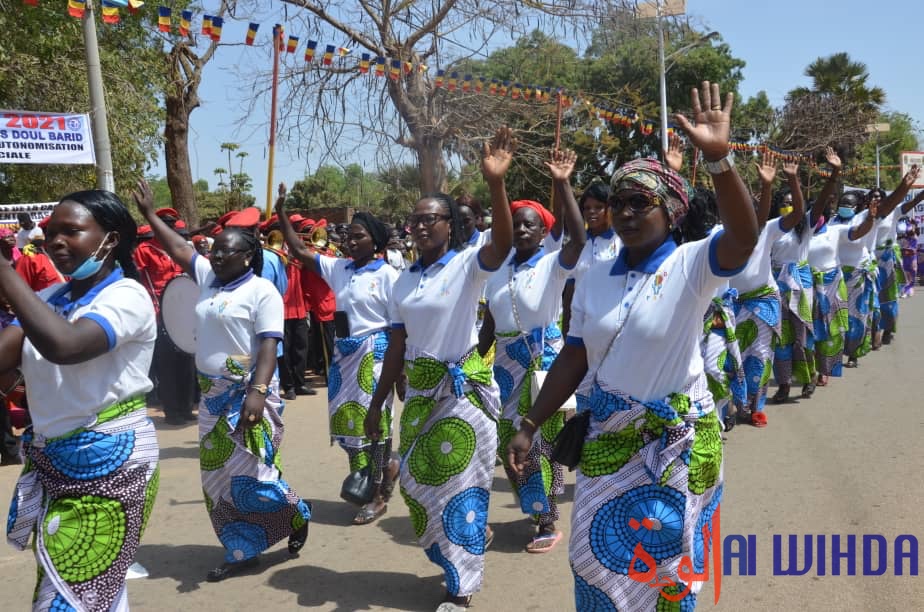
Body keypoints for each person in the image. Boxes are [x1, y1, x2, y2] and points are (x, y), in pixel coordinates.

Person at [508, 83, 758, 610]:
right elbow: (574, 354)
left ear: (670, 208)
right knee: (591, 556)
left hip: (674, 442)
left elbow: (743, 236)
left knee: (661, 567)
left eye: (638, 201)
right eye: (616, 202)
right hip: (607, 437)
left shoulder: (691, 263)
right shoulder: (594, 273)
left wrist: (717, 158)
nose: (623, 211)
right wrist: (530, 424)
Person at [365, 127, 516, 612]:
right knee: (412, 483)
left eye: (433, 219)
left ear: (451, 225)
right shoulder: (402, 281)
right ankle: (459, 552)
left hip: (464, 394)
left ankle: (462, 587)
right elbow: (395, 347)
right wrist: (376, 405)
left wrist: (497, 184)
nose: (422, 226)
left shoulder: (469, 264)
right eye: (416, 220)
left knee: (462, 487)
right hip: (420, 395)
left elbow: (504, 244)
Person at [132, 179, 311, 582]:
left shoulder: (262, 291)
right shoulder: (208, 278)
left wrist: (257, 393)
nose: (215, 257)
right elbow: (179, 249)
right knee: (218, 480)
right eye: (214, 250)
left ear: (248, 256)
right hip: (212, 395)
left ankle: (295, 510)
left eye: (226, 251)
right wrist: (148, 214)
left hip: (250, 394)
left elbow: (268, 345)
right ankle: (240, 549)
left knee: (255, 473)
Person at [2, 189, 159, 611]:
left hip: (110, 460)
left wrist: (4, 271)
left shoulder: (127, 296)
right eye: (51, 233)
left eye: (71, 231)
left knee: (70, 596)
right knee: (87, 590)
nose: (55, 242)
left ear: (111, 238)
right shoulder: (52, 298)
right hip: (58, 460)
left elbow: (65, 346)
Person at [478, 148, 586, 553]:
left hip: (545, 362)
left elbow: (579, 237)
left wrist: (562, 182)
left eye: (531, 226)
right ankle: (537, 511)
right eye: (517, 225)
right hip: (505, 366)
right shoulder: (493, 271)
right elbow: (489, 324)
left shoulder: (554, 263)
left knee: (541, 441)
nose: (522, 231)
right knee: (514, 438)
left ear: (543, 234)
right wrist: (473, 361)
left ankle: (546, 521)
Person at [277, 194, 401, 525]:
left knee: (374, 427)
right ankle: (380, 471)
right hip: (343, 359)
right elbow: (302, 252)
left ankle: (375, 496)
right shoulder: (339, 268)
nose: (351, 241)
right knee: (347, 426)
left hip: (373, 357)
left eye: (359, 236)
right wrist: (282, 215)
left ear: (374, 241)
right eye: (349, 235)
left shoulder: (388, 275)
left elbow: (398, 328)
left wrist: (398, 374)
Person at [769, 148, 835, 402]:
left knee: (801, 336)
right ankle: (784, 385)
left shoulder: (805, 227)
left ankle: (808, 378)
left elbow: (821, 200)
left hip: (801, 284)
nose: (787, 207)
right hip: (776, 286)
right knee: (781, 338)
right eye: (783, 203)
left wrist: (833, 174)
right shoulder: (771, 229)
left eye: (791, 203)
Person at [133, 206, 198, 424]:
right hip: (160, 314)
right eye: (165, 225)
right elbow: (137, 280)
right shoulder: (144, 250)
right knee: (168, 366)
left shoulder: (180, 248)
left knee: (187, 364)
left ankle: (186, 406)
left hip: (183, 312)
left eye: (171, 225)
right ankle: (172, 411)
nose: (168, 229)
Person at [868, 172, 923, 347]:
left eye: (879, 197)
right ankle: (875, 331)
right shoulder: (864, 215)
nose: (876, 199)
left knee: (889, 300)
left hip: (888, 260)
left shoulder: (894, 212)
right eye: (872, 197)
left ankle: (889, 329)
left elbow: (914, 202)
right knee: (872, 299)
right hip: (869, 261)